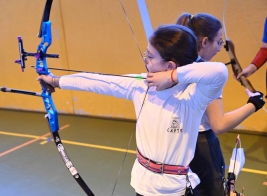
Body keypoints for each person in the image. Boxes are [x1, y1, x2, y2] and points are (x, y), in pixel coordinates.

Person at [37, 24, 228, 196]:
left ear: (170, 65)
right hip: (144, 185)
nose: (146, 60)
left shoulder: (193, 94)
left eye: (150, 57)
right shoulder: (141, 85)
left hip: (174, 190)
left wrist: (172, 76)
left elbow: (220, 71)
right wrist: (56, 81)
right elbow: (98, 81)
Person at [145, 13, 265, 196]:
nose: (219, 48)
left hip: (177, 144)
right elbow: (219, 124)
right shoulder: (207, 75)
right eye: (218, 42)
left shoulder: (177, 67)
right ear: (204, 41)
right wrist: (254, 104)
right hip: (202, 146)